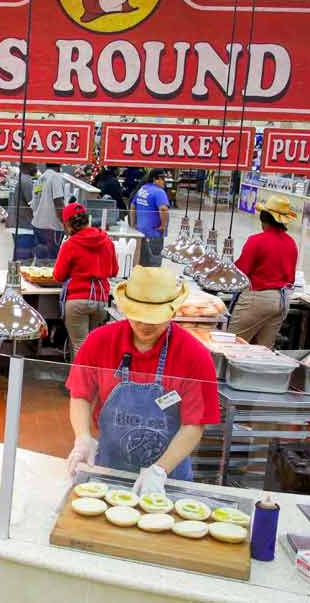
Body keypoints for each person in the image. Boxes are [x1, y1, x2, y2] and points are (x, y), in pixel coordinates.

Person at [64, 266, 220, 496]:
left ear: (173, 311)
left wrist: (160, 470)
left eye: (154, 318)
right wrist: (83, 437)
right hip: (109, 467)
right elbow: (80, 395)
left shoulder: (194, 355)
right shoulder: (100, 341)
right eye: (138, 316)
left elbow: (194, 424)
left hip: (168, 476)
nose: (145, 325)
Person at [229, 196, 300, 347]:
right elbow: (291, 278)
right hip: (281, 302)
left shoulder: (256, 241)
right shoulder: (291, 243)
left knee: (232, 345)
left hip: (258, 299)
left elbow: (241, 272)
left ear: (263, 218)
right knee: (263, 351)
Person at [54, 203, 118, 358]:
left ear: (68, 224)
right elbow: (114, 271)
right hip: (101, 300)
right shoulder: (106, 241)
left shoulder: (70, 244)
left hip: (77, 301)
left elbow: (58, 276)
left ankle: (78, 382)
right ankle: (93, 382)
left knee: (79, 346)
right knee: (94, 347)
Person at [129, 169, 170, 266]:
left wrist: (133, 224)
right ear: (157, 179)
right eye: (163, 179)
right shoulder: (159, 192)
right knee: (153, 264)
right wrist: (163, 226)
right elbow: (163, 209)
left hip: (140, 232)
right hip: (154, 233)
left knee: (141, 261)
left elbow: (132, 206)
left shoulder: (143, 189)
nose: (164, 182)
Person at [32, 163, 67, 259]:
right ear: (59, 165)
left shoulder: (40, 178)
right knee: (51, 260)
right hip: (52, 227)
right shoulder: (56, 177)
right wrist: (66, 225)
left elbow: (34, 205)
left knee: (41, 258)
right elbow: (58, 203)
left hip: (38, 225)